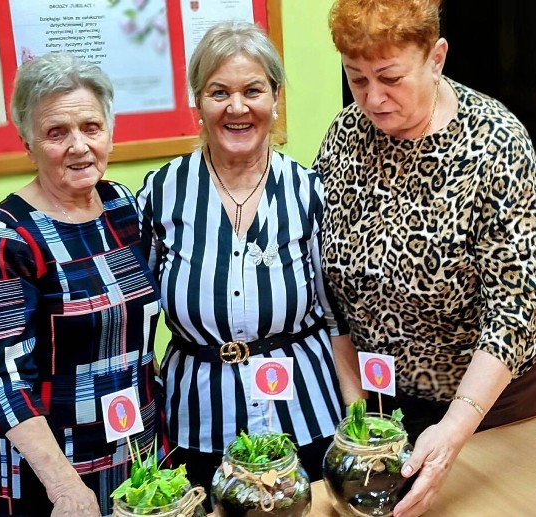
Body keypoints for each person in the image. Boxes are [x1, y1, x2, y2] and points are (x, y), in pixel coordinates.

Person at [314, 0, 536, 515]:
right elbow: (325, 280)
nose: (373, 99)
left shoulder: (497, 145)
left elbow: (515, 307)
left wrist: (453, 427)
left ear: (436, 57)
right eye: (356, 80)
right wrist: (356, 396)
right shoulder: (343, 138)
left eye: (391, 77)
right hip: (383, 394)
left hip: (486, 401)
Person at [136, 21, 362, 497]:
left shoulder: (309, 191)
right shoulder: (162, 193)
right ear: (197, 102)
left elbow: (334, 314)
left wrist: (359, 417)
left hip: (305, 417)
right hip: (198, 424)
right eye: (218, 92)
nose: (237, 108)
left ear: (275, 97)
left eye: (253, 90)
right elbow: (135, 313)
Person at [0, 53, 163, 517]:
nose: (78, 146)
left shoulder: (122, 207)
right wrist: (66, 488)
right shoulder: (2, 238)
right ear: (28, 144)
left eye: (91, 127)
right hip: (51, 473)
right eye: (56, 133)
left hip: (135, 448)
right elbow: (5, 382)